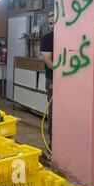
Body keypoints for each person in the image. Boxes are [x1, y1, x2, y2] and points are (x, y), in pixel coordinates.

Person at [40, 13, 54, 151]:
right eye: (50, 23)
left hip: (67, 82)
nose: (52, 26)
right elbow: (49, 63)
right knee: (54, 111)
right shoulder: (47, 39)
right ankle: (52, 143)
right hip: (53, 80)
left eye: (55, 22)